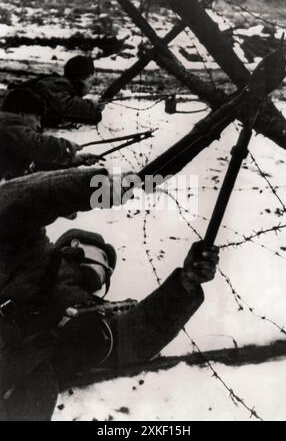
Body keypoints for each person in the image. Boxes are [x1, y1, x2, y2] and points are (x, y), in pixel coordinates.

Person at [0, 167, 219, 421]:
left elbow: (131, 338)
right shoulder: (26, 249)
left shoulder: (89, 310)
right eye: (96, 254)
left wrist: (185, 285)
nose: (100, 268)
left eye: (106, 266)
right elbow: (18, 199)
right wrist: (96, 186)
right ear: (71, 246)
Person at [0, 88, 100, 181]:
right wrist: (66, 147)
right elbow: (35, 144)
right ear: (22, 114)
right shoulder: (6, 123)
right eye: (37, 118)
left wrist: (72, 160)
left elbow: (32, 163)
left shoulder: (11, 138)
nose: (38, 125)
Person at [27, 55, 104, 128]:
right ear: (79, 81)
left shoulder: (64, 89)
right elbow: (67, 105)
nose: (91, 86)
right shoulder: (57, 84)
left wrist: (94, 112)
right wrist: (92, 105)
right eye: (90, 82)